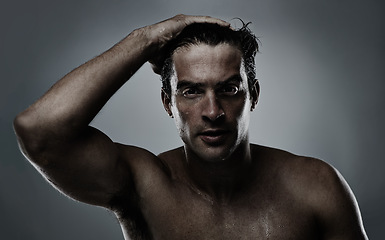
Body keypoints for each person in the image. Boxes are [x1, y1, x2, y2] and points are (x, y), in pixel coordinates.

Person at [14, 14, 368, 239]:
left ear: (253, 96)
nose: (212, 111)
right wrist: (144, 40)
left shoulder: (317, 187)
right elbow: (40, 131)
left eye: (229, 89)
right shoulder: (144, 185)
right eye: (192, 91)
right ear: (169, 103)